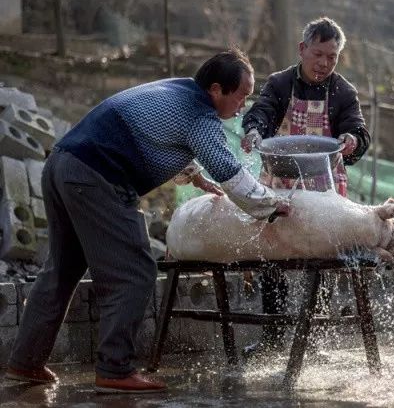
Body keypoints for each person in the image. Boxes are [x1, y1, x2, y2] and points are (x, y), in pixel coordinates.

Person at [4, 49, 290, 393]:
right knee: (135, 270)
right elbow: (229, 170)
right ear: (216, 90)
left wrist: (194, 176)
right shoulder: (199, 114)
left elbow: (158, 134)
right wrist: (272, 206)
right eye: (242, 94)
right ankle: (114, 368)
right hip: (96, 177)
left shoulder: (176, 89)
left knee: (62, 270)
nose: (244, 104)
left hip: (62, 165)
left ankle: (25, 362)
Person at [240, 16, 370, 350]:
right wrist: (254, 130)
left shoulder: (343, 91)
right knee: (273, 257)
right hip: (278, 185)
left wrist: (352, 139)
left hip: (324, 185)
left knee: (323, 261)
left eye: (332, 57)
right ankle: (271, 339)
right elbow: (262, 112)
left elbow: (356, 128)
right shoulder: (281, 83)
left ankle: (316, 341)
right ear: (302, 50)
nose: (324, 63)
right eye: (318, 55)